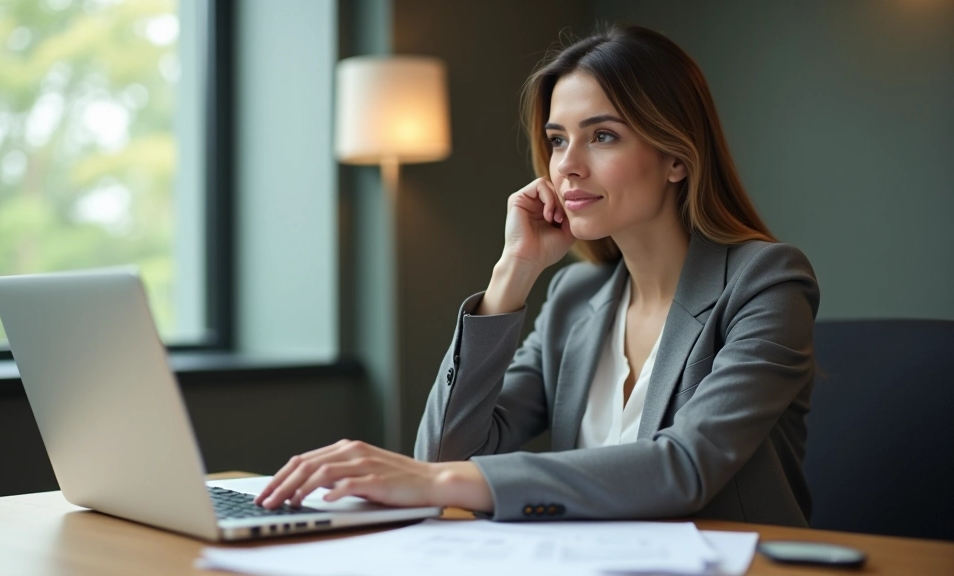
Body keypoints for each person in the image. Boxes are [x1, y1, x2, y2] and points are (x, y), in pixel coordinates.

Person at [254, 24, 819, 527]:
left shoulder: (765, 282)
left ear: (676, 157)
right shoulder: (577, 297)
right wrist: (512, 275)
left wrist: (438, 484)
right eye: (556, 139)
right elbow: (445, 452)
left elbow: (684, 468)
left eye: (602, 135)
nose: (567, 164)